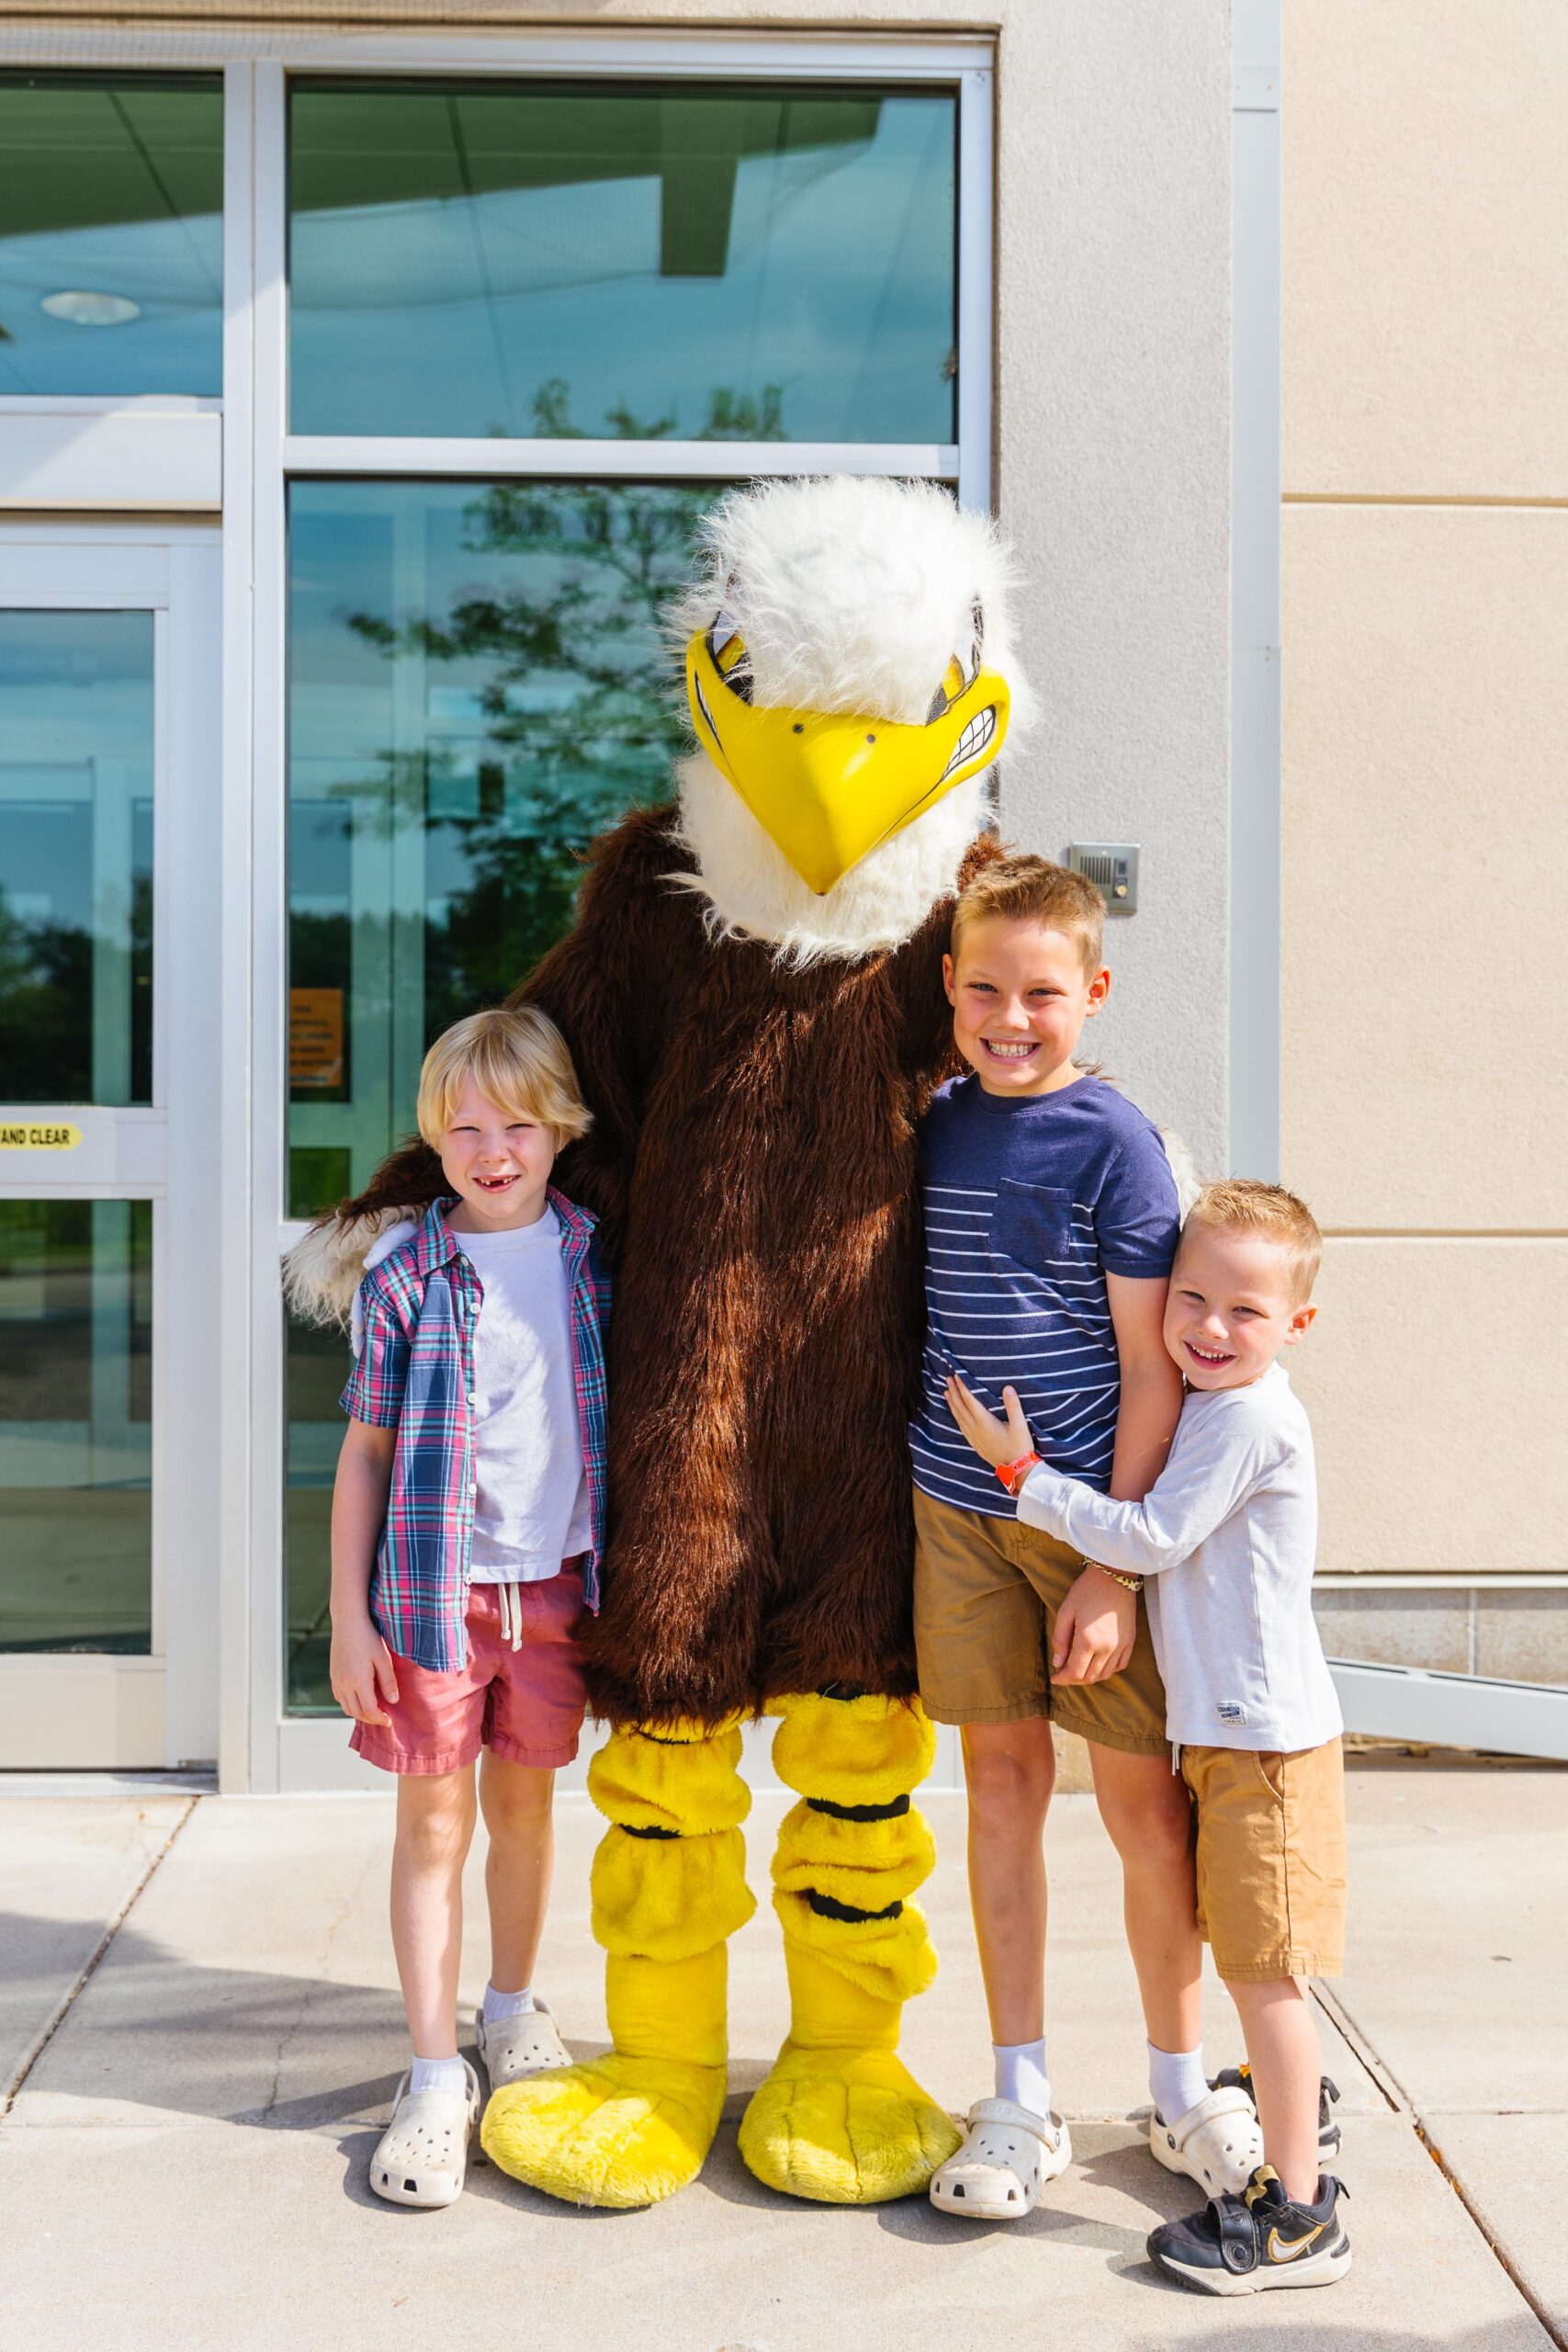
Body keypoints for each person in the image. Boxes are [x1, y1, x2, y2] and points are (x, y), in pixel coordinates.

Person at [948, 1177, 1350, 2294]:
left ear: (1297, 1326)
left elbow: (1156, 1535)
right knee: (1255, 1961)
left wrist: (1023, 1476)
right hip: (1231, 1735)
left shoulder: (1251, 1418)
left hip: (1266, 1749)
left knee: (1270, 1976)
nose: (1210, 1329)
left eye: (1248, 1311)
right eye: (1191, 1299)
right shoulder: (1214, 1405)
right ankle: (1286, 2106)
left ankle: (1299, 2217)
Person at [912, 854, 1213, 2222]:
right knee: (998, 1794)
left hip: (1093, 1518)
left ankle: (1176, 2090)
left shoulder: (1114, 1142)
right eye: (983, 988)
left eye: (1041, 991)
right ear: (947, 988)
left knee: (1144, 1814)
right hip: (955, 1515)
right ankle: (1017, 2095)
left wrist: (1111, 1565)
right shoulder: (928, 1123)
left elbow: (1154, 1372)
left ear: (1091, 992)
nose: (1009, 1016)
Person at [327, 1006, 608, 2210]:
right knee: (431, 1831)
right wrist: (346, 1616)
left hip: (555, 1595)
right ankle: (434, 2073)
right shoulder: (404, 1275)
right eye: (464, 1128)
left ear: (560, 1131)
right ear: (435, 1139)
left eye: (517, 1125)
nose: (492, 1149)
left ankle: (508, 2006)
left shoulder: (598, 1259)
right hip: (432, 1604)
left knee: (527, 1814)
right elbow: (364, 1454)